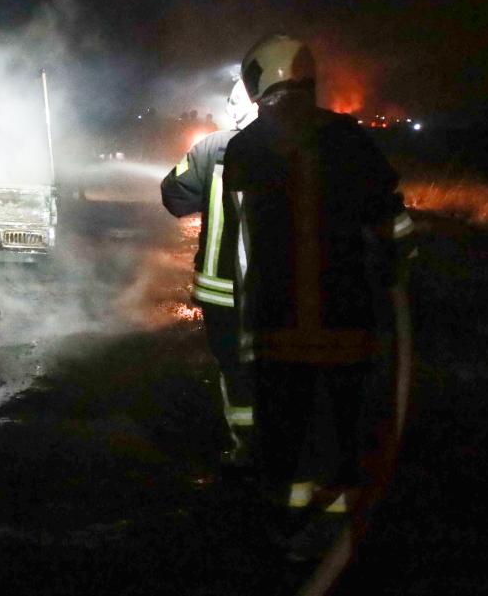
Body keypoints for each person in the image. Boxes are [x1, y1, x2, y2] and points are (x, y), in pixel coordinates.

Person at [222, 34, 416, 560]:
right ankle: (339, 526)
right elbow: (392, 219)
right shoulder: (350, 138)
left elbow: (239, 243)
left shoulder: (245, 148)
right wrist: (398, 261)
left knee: (283, 433)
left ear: (260, 79)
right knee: (343, 427)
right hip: (346, 321)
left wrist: (239, 319)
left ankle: (287, 529)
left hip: (276, 325)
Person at [161, 79, 259, 470]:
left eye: (234, 101)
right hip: (289, 290)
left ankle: (247, 451)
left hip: (223, 291)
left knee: (235, 369)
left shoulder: (213, 148)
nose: (230, 108)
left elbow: (174, 196)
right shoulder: (308, 145)